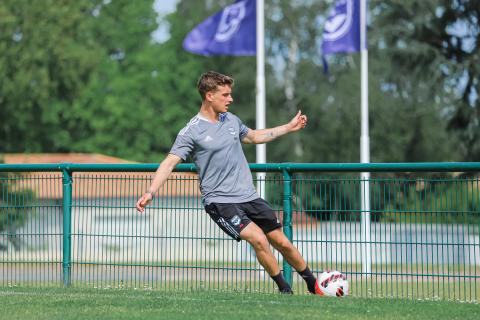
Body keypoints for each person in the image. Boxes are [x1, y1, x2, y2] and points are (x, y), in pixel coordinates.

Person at [136, 71, 323, 295]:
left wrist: (288, 127)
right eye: (225, 94)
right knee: (258, 239)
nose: (230, 99)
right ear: (209, 96)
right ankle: (285, 289)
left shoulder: (231, 119)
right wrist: (151, 192)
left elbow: (254, 136)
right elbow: (169, 163)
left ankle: (313, 284)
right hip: (220, 201)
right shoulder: (191, 131)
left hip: (249, 196)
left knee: (282, 242)